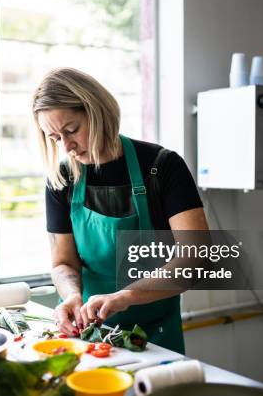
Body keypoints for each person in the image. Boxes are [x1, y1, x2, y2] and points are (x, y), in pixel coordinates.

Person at [32, 67, 208, 354]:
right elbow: (63, 262)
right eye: (54, 138)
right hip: (93, 333)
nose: (67, 147)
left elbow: (195, 258)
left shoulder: (161, 167)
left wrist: (126, 296)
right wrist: (71, 295)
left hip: (156, 338)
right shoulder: (62, 179)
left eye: (71, 130)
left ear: (97, 111)